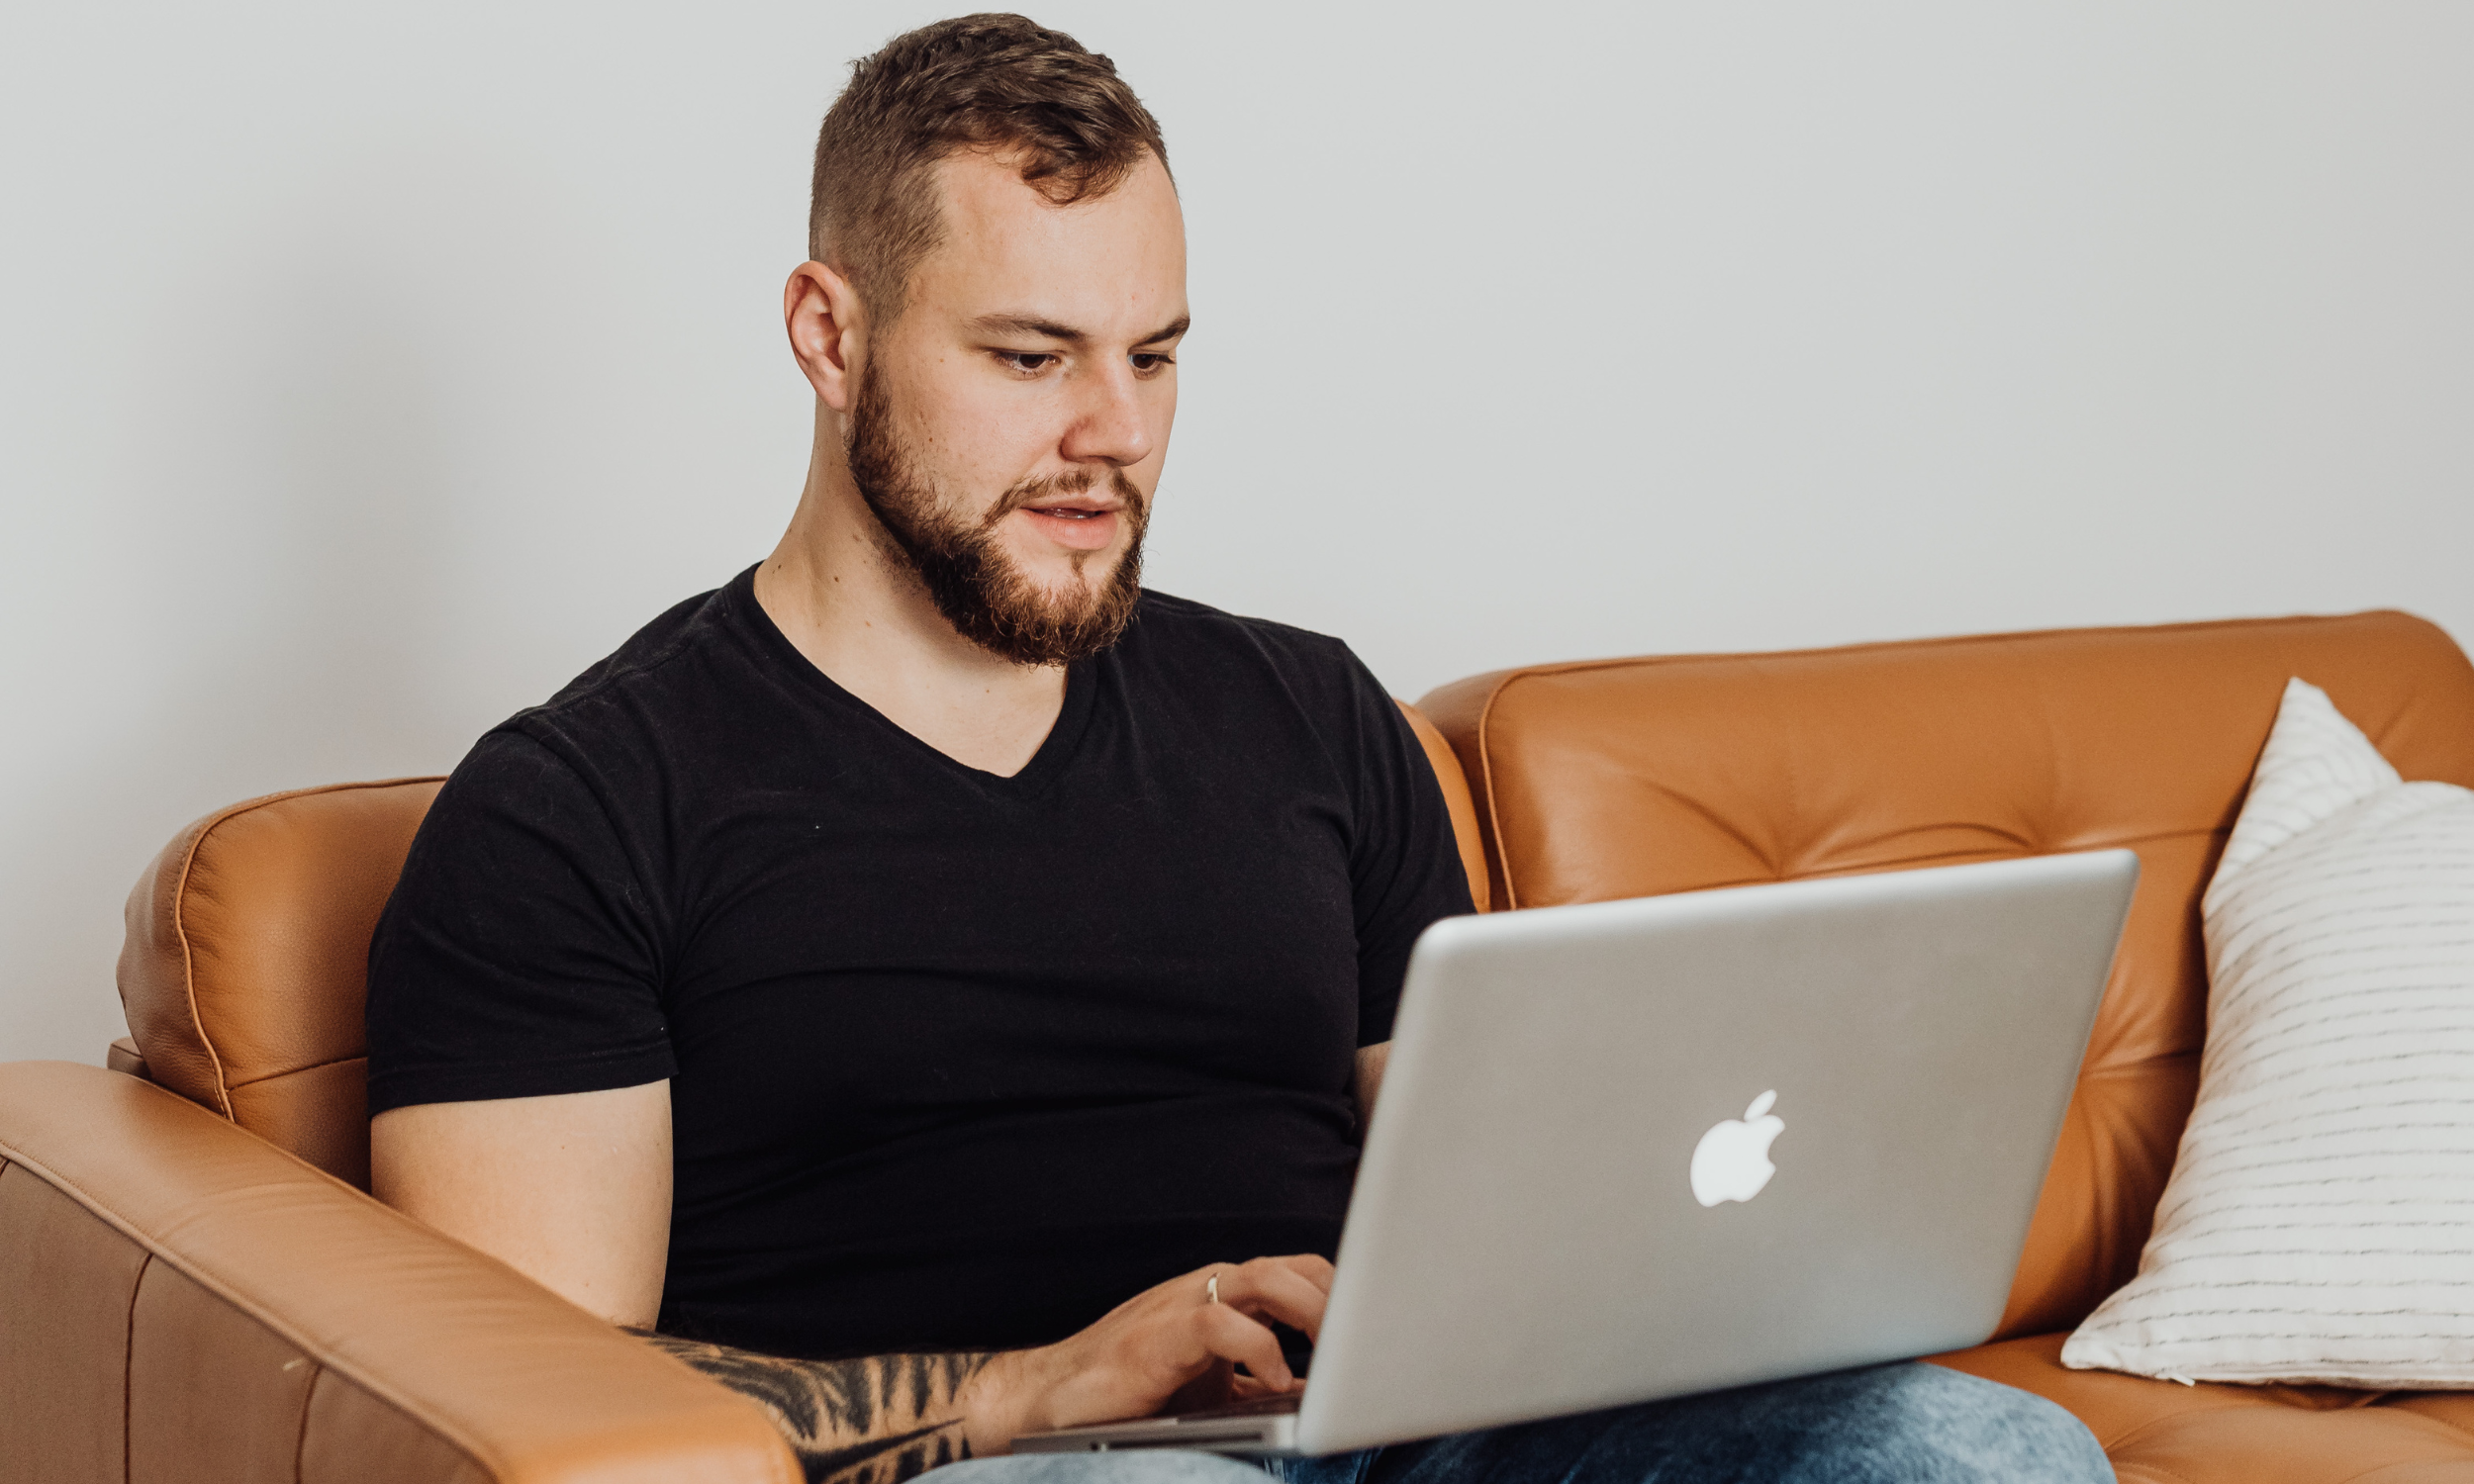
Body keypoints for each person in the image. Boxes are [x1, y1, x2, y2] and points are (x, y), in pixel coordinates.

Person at [363, 14, 2115, 1484]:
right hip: (1015, 1465)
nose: (1112, 436)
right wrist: (1027, 1388)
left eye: (1155, 356)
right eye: (1030, 355)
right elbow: (522, 1416)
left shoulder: (1306, 712)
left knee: (1988, 1456)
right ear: (832, 335)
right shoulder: (578, 810)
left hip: (1398, 1437)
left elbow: (1494, 1191)